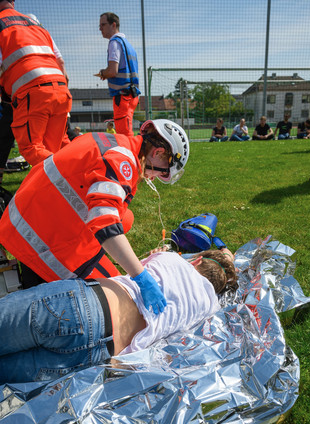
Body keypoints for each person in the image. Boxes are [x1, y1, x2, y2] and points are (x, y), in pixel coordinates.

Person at [0, 119, 190, 313]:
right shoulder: (122, 161)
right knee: (121, 303)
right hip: (39, 240)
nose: (153, 177)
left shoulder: (112, 142)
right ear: (157, 153)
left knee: (126, 219)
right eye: (161, 172)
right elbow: (105, 225)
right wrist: (140, 276)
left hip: (29, 217)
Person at [0, 248, 237, 384]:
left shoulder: (173, 259)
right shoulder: (208, 310)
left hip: (84, 305)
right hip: (97, 354)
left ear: (195, 260)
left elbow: (131, 269)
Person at [0, 1, 72, 167]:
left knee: (31, 147)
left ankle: (69, 181)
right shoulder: (34, 23)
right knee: (56, 147)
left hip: (32, 91)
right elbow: (60, 60)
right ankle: (84, 177)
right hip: (60, 88)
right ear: (13, 1)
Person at [96, 12, 140, 138]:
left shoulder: (114, 43)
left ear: (113, 25)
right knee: (127, 133)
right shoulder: (127, 44)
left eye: (103, 25)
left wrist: (103, 73)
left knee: (124, 136)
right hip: (132, 94)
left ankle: (130, 157)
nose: (100, 28)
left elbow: (112, 71)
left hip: (123, 96)